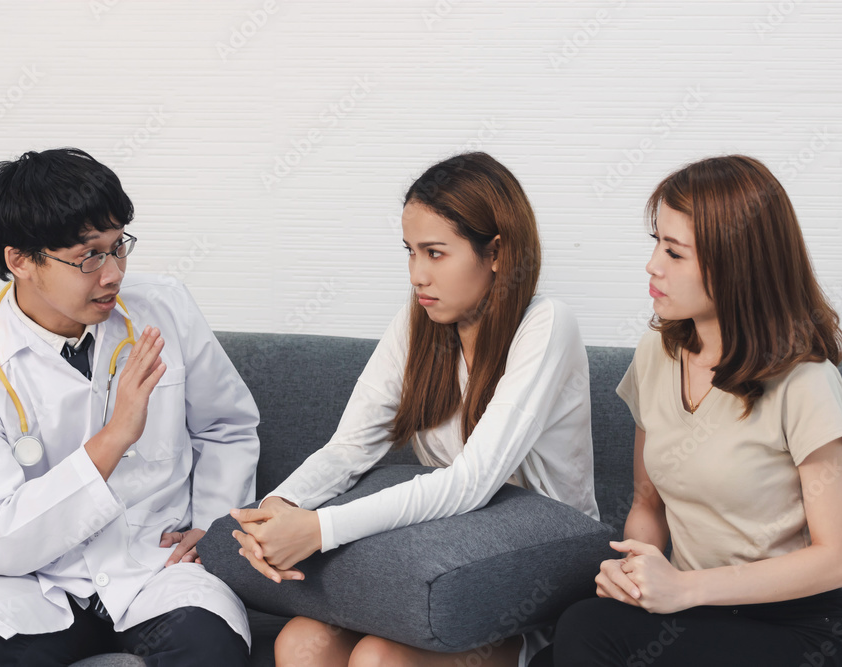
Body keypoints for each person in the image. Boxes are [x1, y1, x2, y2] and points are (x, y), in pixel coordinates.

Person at [231, 152, 600, 667]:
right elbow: (350, 449)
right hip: (443, 552)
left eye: (435, 253)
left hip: (534, 567)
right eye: (410, 252)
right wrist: (281, 506)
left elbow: (472, 481)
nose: (417, 275)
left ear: (495, 252)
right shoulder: (420, 325)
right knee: (297, 643)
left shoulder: (546, 325)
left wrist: (321, 529)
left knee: (380, 659)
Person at [0, 148, 259, 666]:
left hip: (158, 565)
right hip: (35, 580)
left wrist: (214, 528)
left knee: (210, 650)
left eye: (117, 247)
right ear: (20, 261)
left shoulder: (164, 306)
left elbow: (226, 427)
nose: (113, 274)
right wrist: (114, 437)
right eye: (88, 257)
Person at [551, 155, 842, 666]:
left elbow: (838, 558)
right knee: (572, 638)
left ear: (736, 263)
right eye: (656, 242)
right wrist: (633, 574)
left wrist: (686, 588)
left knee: (586, 631)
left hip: (797, 629)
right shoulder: (657, 352)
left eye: (674, 252)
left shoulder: (805, 381)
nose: (653, 264)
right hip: (697, 618)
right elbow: (648, 504)